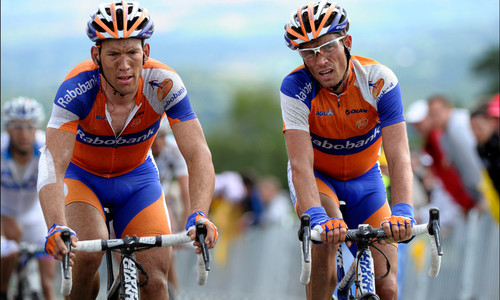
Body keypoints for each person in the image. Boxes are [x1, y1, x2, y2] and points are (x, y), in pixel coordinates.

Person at [37, 2, 217, 299]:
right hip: (82, 178)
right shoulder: (76, 89)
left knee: (156, 280)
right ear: (96, 55)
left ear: (145, 53)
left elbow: (198, 153)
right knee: (86, 256)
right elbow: (53, 162)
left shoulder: (164, 84)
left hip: (137, 179)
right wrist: (55, 224)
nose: (124, 65)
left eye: (132, 52)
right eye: (113, 54)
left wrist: (199, 213)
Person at [281, 2, 414, 299]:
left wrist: (403, 209)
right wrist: (316, 217)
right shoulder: (295, 87)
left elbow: (399, 156)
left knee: (388, 287)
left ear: (347, 43)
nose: (319, 61)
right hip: (318, 180)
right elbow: (300, 164)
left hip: (366, 181)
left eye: (327, 47)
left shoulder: (379, 80)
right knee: (327, 241)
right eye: (308, 52)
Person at [1, 97, 57, 300]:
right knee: (7, 256)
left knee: (47, 286)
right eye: (17, 127)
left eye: (30, 126)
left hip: (36, 218)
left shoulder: (47, 148)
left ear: (37, 128)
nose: (24, 133)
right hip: (4, 216)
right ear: (7, 129)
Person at [150, 120, 190, 297]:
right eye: (154, 137)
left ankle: (174, 293)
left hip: (161, 199)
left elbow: (185, 191)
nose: (158, 142)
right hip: (134, 195)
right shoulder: (139, 146)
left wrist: (186, 226)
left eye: (162, 137)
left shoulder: (174, 149)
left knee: (168, 253)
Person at [427, 94, 485, 206]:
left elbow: (472, 161)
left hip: (484, 189)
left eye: (436, 113)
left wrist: (483, 194)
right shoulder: (444, 134)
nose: (434, 119)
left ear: (448, 108)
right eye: (431, 115)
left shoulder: (458, 127)